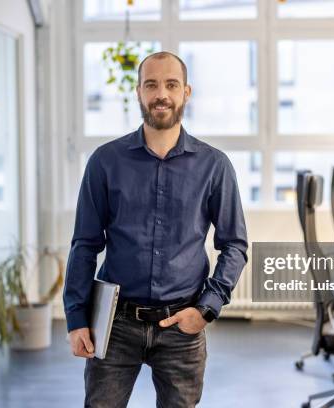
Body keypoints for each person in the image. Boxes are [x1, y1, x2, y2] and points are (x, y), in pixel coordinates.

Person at [63, 51, 248, 408]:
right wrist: (76, 318)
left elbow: (235, 246)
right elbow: (84, 245)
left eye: (171, 84)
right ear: (138, 93)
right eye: (151, 84)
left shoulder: (215, 166)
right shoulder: (105, 162)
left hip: (183, 323)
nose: (161, 93)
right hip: (115, 324)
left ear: (186, 93)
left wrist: (206, 308)